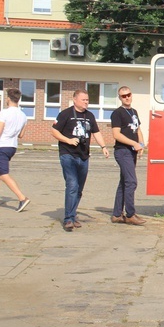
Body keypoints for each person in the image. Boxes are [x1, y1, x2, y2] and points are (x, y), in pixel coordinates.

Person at [51, 89, 110, 232]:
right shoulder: (65, 114)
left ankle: (72, 214)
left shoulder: (89, 116)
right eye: (83, 100)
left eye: (88, 100)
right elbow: (54, 131)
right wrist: (68, 140)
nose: (86, 102)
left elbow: (96, 132)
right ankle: (68, 219)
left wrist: (103, 147)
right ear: (75, 100)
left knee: (79, 189)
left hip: (83, 156)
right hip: (68, 155)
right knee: (72, 185)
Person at [0, 88, 30, 212]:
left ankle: (22, 198)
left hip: (2, 146)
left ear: (8, 98)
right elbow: (20, 135)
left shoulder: (4, 112)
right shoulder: (23, 116)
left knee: (3, 175)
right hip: (12, 147)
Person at [110, 86, 146, 226]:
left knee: (124, 183)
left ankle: (117, 214)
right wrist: (133, 143)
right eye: (123, 96)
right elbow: (116, 134)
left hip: (131, 151)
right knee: (131, 182)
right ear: (120, 98)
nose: (126, 97)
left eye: (128, 95)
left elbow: (138, 129)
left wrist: (141, 144)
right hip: (122, 151)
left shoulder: (133, 111)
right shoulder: (117, 113)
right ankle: (130, 214)